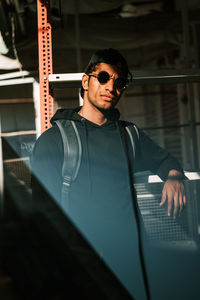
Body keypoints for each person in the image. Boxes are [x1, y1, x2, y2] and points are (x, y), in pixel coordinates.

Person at [31, 48, 186, 299]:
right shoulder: (55, 141)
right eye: (103, 77)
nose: (111, 87)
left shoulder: (129, 135)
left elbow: (166, 159)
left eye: (119, 82)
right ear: (86, 81)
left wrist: (174, 177)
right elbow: (42, 214)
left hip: (130, 265)